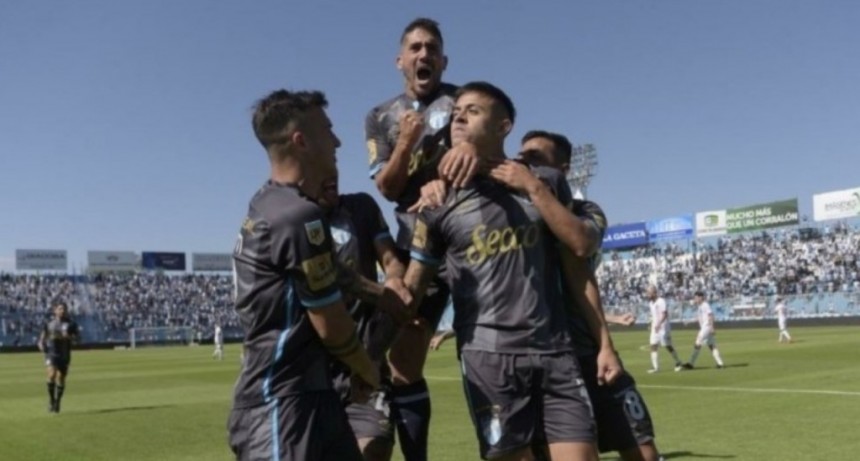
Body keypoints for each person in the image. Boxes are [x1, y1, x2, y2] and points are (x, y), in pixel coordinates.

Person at [405, 81, 599, 461]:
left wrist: (533, 189)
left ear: (503, 127)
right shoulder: (438, 200)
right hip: (488, 357)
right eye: (456, 112)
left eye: (473, 110)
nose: (459, 117)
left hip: (555, 351)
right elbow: (413, 289)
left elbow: (580, 246)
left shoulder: (546, 181)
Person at [228, 89, 380, 461]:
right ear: (302, 141)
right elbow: (331, 323)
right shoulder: (297, 215)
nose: (337, 141)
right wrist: (367, 369)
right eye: (328, 130)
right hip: (282, 405)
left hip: (312, 397)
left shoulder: (268, 203)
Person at [365, 17, 477, 461]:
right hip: (416, 248)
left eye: (432, 47)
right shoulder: (380, 117)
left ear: (444, 60)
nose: (423, 54)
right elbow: (388, 188)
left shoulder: (465, 101)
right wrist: (406, 143)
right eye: (415, 47)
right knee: (402, 365)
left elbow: (487, 153)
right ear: (400, 60)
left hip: (472, 243)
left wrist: (458, 162)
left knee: (490, 354)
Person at [319, 174, 413, 461]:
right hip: (315, 373)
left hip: (367, 361)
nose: (332, 173)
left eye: (335, 164)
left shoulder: (361, 207)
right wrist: (381, 294)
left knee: (375, 449)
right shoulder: (296, 220)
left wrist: (394, 278)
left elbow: (390, 259)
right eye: (324, 165)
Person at [38, 299, 79, 414]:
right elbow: (42, 337)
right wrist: (41, 344)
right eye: (60, 309)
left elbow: (78, 339)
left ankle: (58, 401)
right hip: (51, 353)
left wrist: (69, 337)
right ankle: (51, 400)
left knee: (61, 378)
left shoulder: (71, 324)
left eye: (64, 309)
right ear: (55, 310)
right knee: (51, 375)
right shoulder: (49, 323)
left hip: (64, 354)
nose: (63, 311)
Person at [681, 291, 725, 370]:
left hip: (707, 327)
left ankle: (691, 363)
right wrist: (689, 321)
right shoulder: (700, 306)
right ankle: (720, 363)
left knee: (698, 342)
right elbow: (698, 318)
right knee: (711, 345)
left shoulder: (705, 305)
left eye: (696, 298)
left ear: (700, 297)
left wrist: (712, 327)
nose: (695, 299)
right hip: (705, 327)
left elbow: (710, 315)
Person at [645, 286, 683, 373]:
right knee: (653, 345)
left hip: (663, 327)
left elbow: (665, 314)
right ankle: (656, 368)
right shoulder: (650, 303)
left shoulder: (661, 301)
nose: (647, 295)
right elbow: (653, 315)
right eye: (647, 293)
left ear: (654, 293)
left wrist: (659, 323)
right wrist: (651, 324)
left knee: (667, 345)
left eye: (649, 293)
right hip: (655, 327)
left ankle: (678, 362)